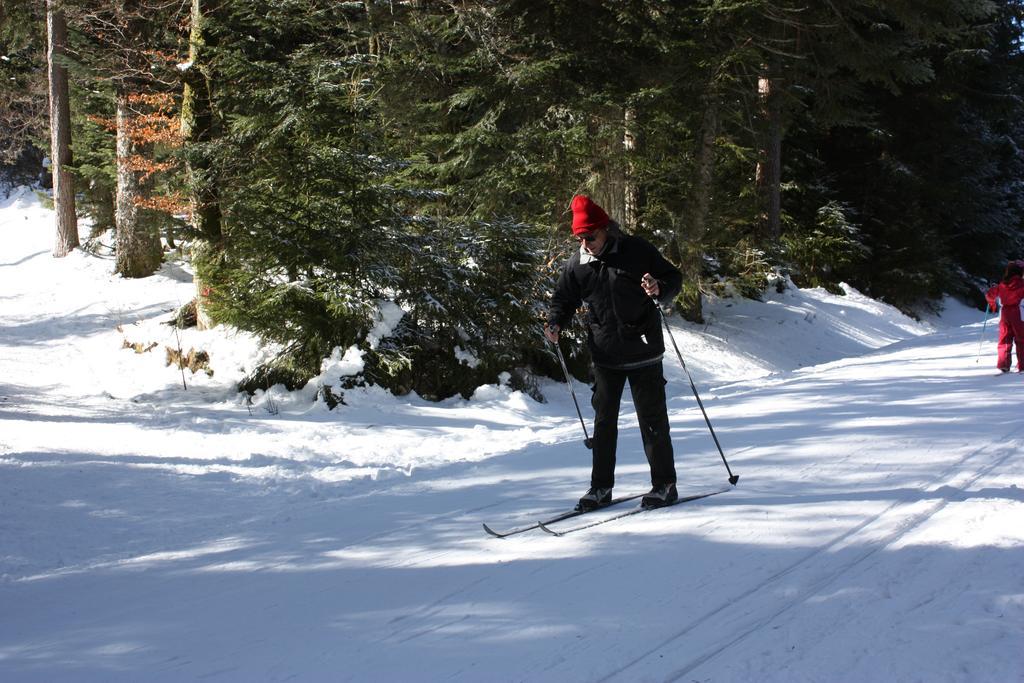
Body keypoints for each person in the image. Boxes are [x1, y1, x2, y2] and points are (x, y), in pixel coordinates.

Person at [545, 195, 684, 510]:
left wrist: (659, 288)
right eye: (580, 238)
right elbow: (563, 299)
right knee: (603, 422)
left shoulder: (636, 250)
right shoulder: (578, 264)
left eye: (590, 236)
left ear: (605, 229)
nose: (585, 243)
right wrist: (555, 322)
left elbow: (673, 277)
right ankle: (600, 488)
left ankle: (664, 485)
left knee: (652, 420)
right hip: (605, 354)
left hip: (643, 350)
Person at [985, 260, 1024, 372]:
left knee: (1004, 339)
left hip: (1004, 314)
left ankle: (1003, 364)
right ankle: (1022, 365)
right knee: (1021, 339)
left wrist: (992, 304)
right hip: (1019, 313)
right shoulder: (1022, 284)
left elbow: (989, 295)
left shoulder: (1002, 285)